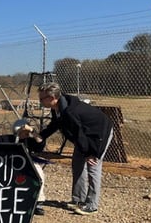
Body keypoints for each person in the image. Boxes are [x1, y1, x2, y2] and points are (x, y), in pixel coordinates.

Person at [18, 82, 113, 215]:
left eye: (41, 99)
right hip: (85, 136)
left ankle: (92, 205)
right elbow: (53, 126)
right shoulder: (58, 107)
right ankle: (78, 200)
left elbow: (79, 133)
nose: (40, 102)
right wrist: (37, 135)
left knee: (93, 166)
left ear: (52, 98)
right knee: (77, 164)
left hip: (99, 134)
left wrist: (90, 153)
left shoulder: (69, 112)